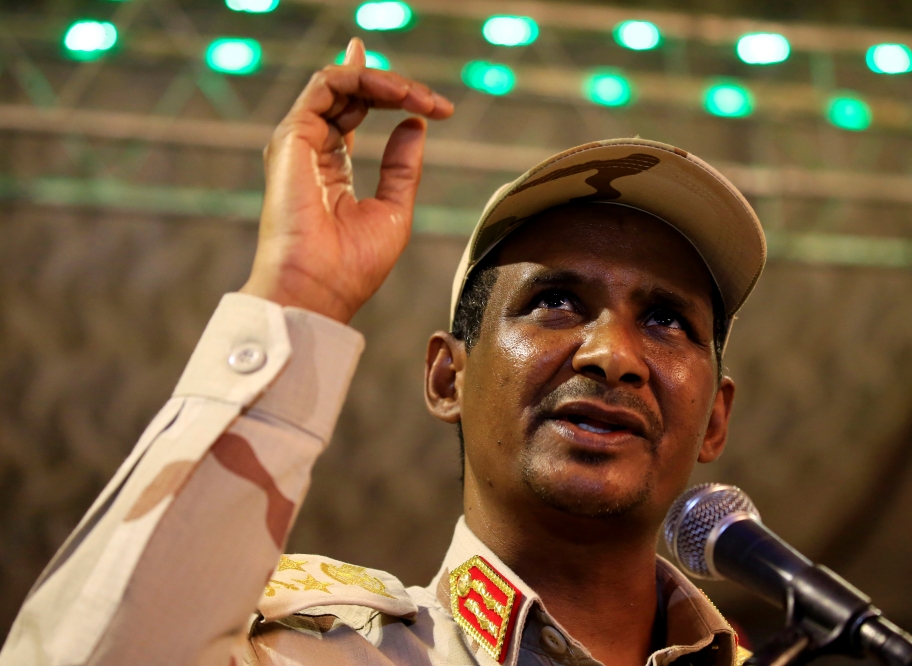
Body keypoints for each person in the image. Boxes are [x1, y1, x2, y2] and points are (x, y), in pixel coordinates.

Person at [0, 37, 765, 666]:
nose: (612, 354)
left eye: (666, 320)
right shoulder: (314, 652)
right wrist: (298, 296)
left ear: (714, 422)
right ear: (446, 377)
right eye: (555, 302)